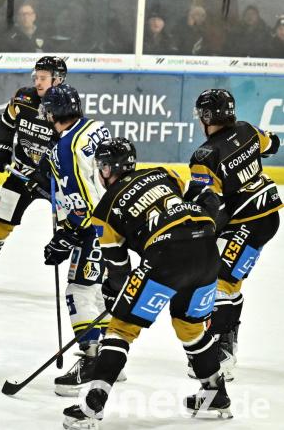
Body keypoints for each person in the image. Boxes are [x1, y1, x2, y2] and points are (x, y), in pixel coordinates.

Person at [62, 138, 231, 429]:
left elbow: (118, 267)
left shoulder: (103, 210)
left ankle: (92, 408)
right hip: (206, 250)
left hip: (167, 255)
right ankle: (215, 394)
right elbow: (202, 195)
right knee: (189, 328)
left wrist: (115, 295)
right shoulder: (163, 173)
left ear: (108, 168)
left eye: (101, 166)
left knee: (120, 329)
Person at [184, 89, 281, 381]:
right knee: (233, 280)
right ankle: (229, 343)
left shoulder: (205, 155)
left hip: (247, 222)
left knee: (221, 281)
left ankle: (220, 351)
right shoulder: (248, 129)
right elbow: (273, 144)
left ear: (206, 116)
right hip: (268, 217)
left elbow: (209, 204)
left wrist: (195, 235)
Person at [0, 56, 66, 286]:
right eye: (36, 77)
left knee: (75, 227)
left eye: (44, 78)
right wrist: (2, 147)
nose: (38, 82)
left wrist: (51, 169)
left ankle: (90, 276)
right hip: (21, 172)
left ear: (57, 80)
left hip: (55, 180)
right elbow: (7, 122)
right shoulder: (23, 98)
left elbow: (70, 144)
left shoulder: (66, 106)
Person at [39, 83, 115, 396]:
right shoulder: (97, 127)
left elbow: (83, 201)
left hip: (95, 228)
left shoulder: (65, 149)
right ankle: (112, 360)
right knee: (102, 291)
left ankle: (91, 362)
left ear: (54, 114)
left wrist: (68, 233)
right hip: (117, 222)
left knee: (80, 290)